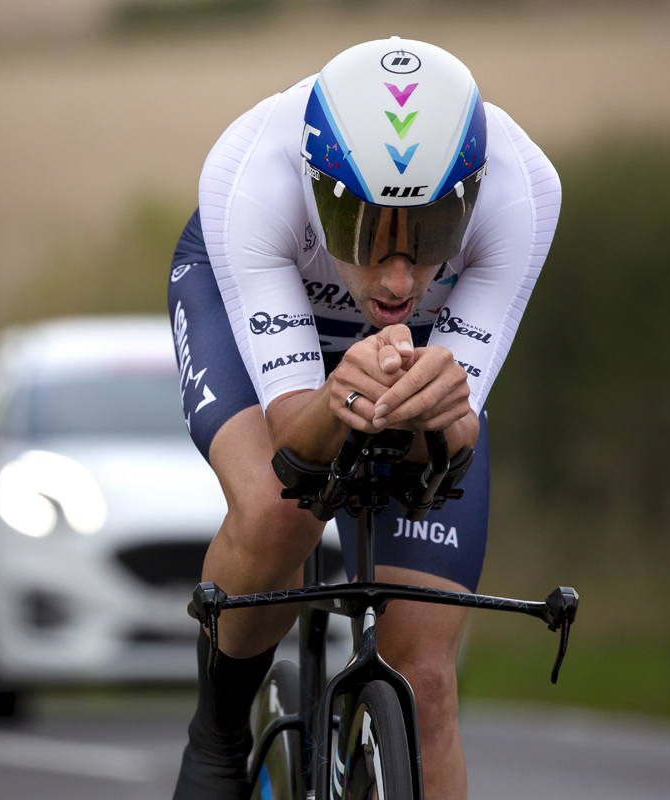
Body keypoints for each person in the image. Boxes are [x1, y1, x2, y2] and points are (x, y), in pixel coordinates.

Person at [168, 37, 560, 800]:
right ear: (321, 191)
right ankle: (218, 728)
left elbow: (450, 445)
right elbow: (294, 449)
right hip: (264, 305)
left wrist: (444, 422)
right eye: (366, 233)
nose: (397, 276)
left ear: (472, 197)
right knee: (282, 512)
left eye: (433, 236)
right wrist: (333, 401)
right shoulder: (252, 172)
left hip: (416, 349)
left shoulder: (524, 190)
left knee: (426, 687)